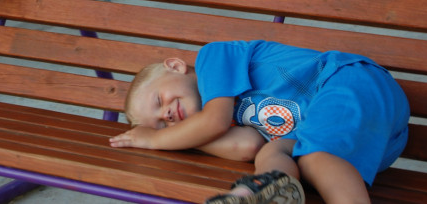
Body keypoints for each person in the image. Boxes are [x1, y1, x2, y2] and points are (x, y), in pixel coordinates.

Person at [110, 40, 409, 204]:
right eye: (162, 124)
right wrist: (183, 137)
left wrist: (155, 138)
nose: (166, 116)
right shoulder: (226, 121)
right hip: (351, 142)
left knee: (316, 155)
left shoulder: (212, 58)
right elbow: (246, 146)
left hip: (348, 81)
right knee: (273, 152)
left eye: (159, 101)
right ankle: (255, 193)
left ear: (175, 67)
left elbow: (214, 121)